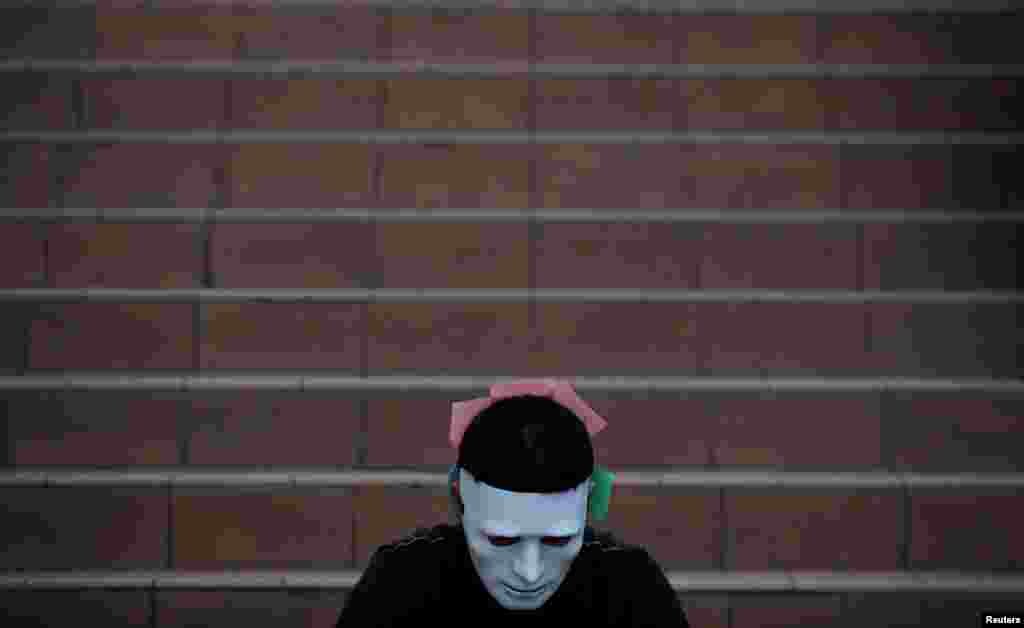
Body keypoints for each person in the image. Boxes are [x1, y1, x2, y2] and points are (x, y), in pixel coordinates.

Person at [335, 378, 690, 626]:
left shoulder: (631, 589)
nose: (529, 573)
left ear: (588, 508)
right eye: (501, 540)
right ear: (460, 501)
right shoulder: (401, 583)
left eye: (557, 541)